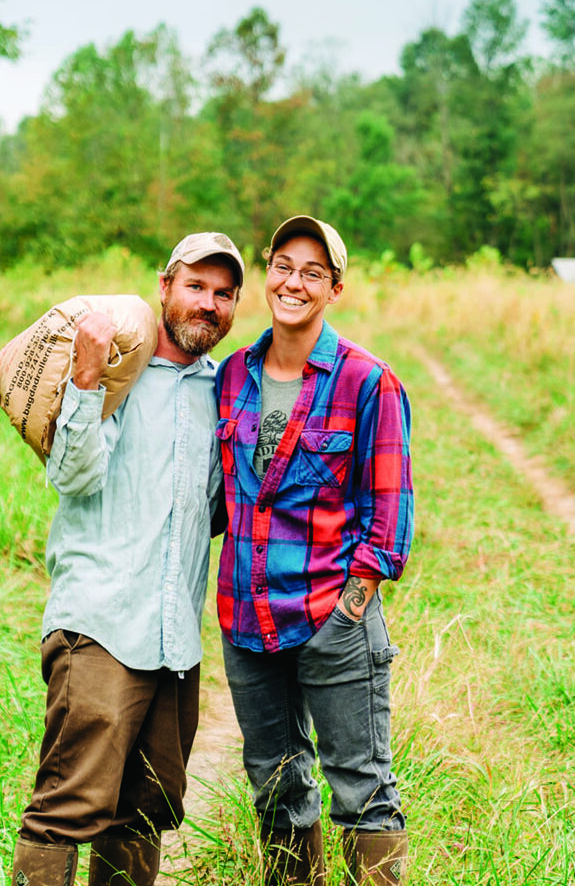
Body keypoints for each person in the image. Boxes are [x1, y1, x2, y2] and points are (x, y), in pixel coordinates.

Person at [11, 232, 244, 886]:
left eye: (224, 294)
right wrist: (85, 377)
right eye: (196, 285)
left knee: (144, 813)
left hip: (174, 643)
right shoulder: (120, 370)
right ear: (164, 287)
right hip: (101, 628)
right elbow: (73, 476)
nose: (209, 303)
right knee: (65, 810)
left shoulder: (221, 394)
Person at [215, 216, 414, 886]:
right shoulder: (232, 375)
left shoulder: (367, 382)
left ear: (335, 288)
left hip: (334, 621)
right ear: (265, 272)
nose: (291, 282)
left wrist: (346, 619)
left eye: (311, 272)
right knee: (276, 787)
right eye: (281, 264)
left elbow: (387, 525)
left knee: (362, 791)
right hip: (247, 625)